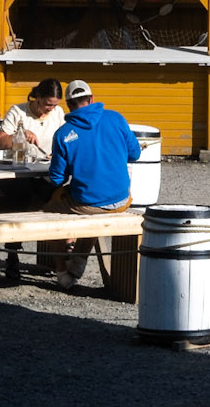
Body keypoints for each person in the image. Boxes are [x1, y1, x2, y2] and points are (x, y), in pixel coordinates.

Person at [46, 78, 142, 290]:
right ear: (91, 99)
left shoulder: (63, 134)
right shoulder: (116, 118)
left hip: (90, 203)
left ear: (68, 105)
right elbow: (135, 153)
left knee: (50, 210)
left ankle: (62, 271)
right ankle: (78, 261)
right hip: (122, 199)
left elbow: (56, 179)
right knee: (91, 201)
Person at [0, 78, 67, 163]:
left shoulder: (58, 112)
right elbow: (1, 143)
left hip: (47, 168)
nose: (51, 109)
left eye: (55, 105)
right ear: (38, 97)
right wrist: (20, 136)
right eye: (48, 104)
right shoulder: (17, 112)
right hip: (20, 168)